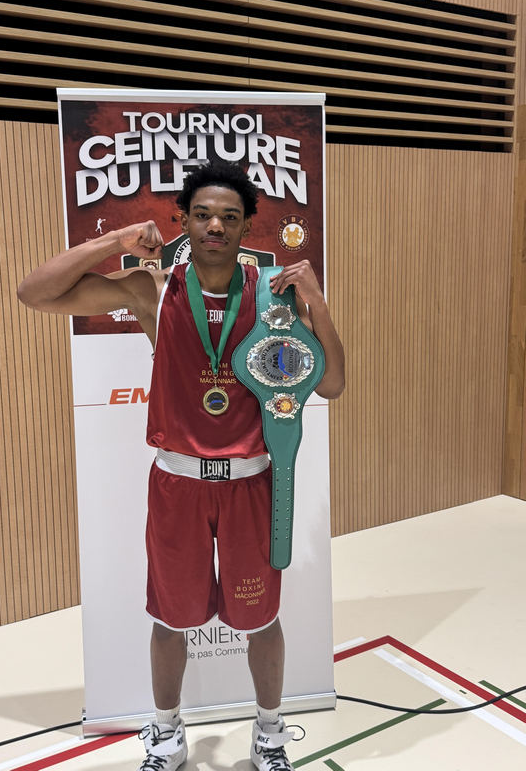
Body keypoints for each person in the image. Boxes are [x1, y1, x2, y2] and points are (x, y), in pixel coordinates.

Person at [18, 160, 344, 771]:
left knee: (260, 620)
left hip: (251, 483)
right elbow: (34, 292)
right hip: (178, 483)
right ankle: (167, 734)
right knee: (171, 620)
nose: (215, 225)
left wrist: (317, 302)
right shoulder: (154, 288)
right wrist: (117, 240)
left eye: (229, 216)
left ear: (246, 226)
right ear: (185, 222)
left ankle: (269, 734)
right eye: (202, 214)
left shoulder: (273, 295)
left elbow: (331, 385)